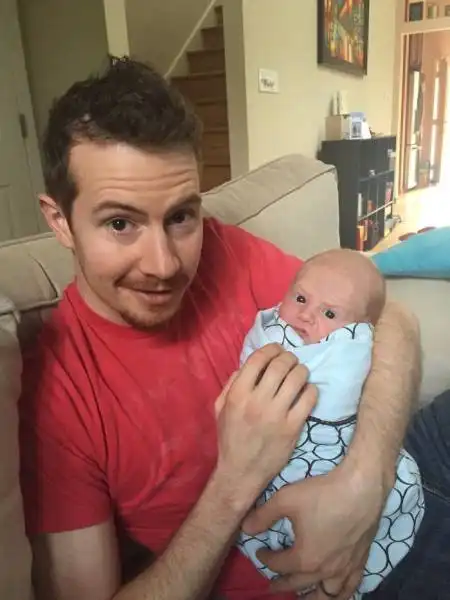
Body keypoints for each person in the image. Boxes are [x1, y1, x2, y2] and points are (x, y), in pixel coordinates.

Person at [17, 56, 441, 600]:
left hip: (404, 467)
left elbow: (390, 317)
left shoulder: (223, 248)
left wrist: (364, 478)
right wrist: (236, 480)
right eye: (120, 223)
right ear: (59, 221)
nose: (164, 264)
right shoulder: (56, 396)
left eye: (180, 217)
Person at [237, 250, 424, 598]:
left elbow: (395, 317)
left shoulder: (348, 337)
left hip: (354, 450)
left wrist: (366, 476)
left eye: (329, 313)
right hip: (281, 481)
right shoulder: (274, 328)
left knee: (406, 482)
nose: (306, 315)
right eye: (300, 299)